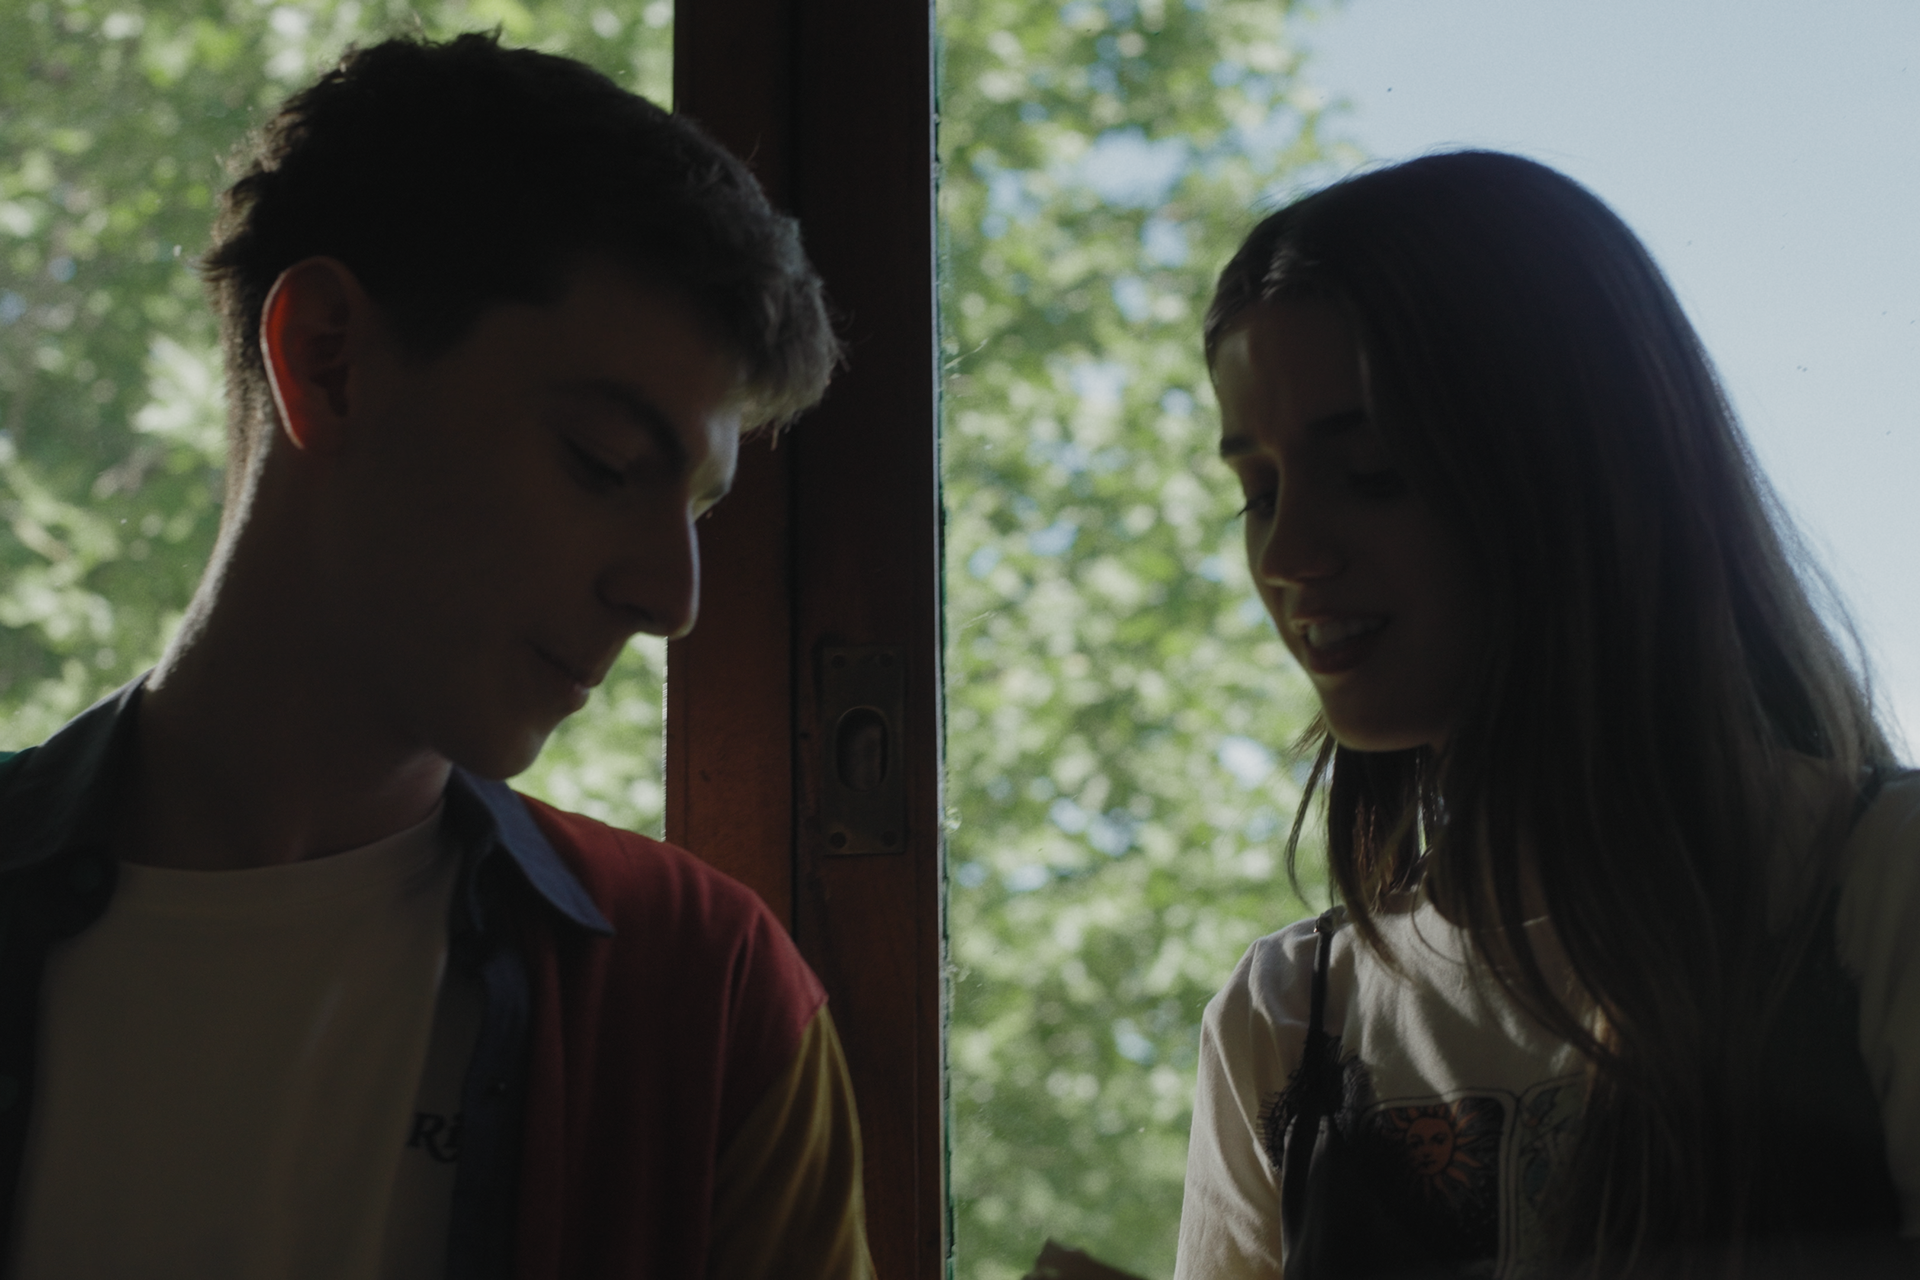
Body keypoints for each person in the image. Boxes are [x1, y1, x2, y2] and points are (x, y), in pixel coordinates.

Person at [0, 32, 872, 1280]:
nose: (672, 598)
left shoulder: (714, 999)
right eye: (602, 463)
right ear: (329, 360)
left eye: (698, 510)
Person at [1174, 151, 1920, 1278]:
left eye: (1371, 471)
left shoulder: (1878, 895)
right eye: (1258, 492)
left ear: (1576, 473)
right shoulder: (1287, 1022)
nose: (1288, 555)